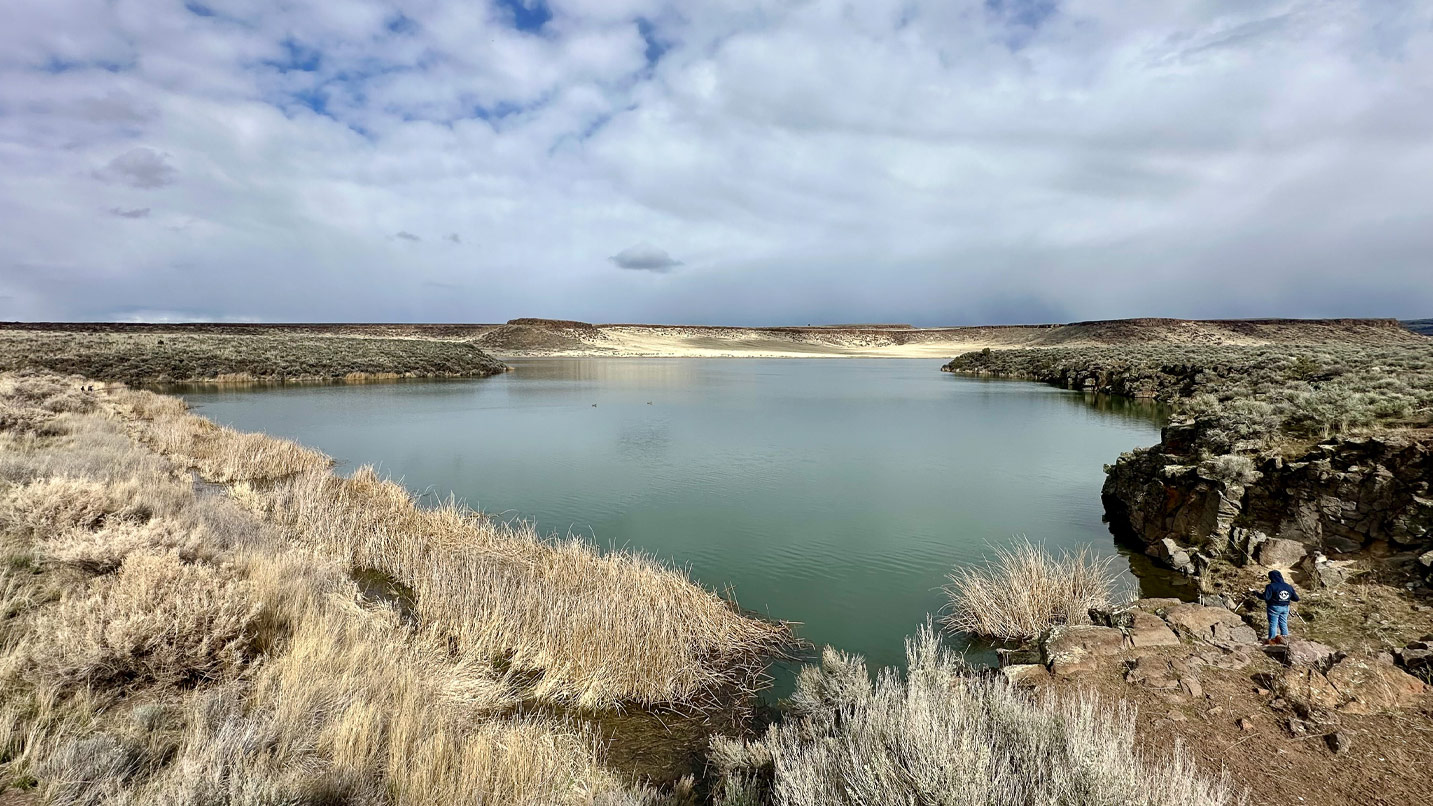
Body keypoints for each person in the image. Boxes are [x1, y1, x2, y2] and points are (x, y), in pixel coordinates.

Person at [1260, 569, 1299, 645]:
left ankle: (1272, 641)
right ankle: (1285, 640)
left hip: (1274, 607)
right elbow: (1296, 598)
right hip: (1285, 607)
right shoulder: (1288, 586)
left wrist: (1256, 593)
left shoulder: (1270, 586)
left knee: (1273, 624)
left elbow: (1266, 597)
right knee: (1283, 623)